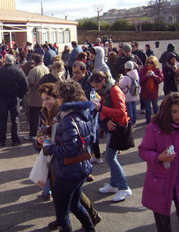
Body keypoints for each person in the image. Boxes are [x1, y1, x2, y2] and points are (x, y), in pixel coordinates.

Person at [43, 79, 96, 232]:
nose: (57, 98)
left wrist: (50, 149)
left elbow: (70, 150)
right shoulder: (83, 113)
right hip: (81, 168)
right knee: (75, 204)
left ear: (64, 98)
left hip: (68, 171)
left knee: (62, 213)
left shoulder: (67, 118)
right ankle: (90, 228)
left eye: (58, 96)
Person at [138, 92, 179, 232]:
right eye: (174, 111)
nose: (177, 115)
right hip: (160, 181)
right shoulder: (154, 128)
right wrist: (158, 158)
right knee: (163, 223)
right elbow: (143, 151)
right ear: (167, 111)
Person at [90, 71, 132, 202]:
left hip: (118, 127)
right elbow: (102, 110)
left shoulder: (114, 90)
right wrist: (106, 118)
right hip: (111, 126)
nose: (95, 89)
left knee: (110, 157)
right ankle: (114, 184)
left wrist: (102, 109)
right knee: (111, 156)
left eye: (96, 86)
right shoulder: (105, 91)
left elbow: (121, 111)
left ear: (103, 81)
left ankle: (124, 187)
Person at [0, 54, 28, 146]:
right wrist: (20, 95)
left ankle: (2, 140)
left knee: (2, 119)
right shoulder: (18, 71)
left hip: (3, 98)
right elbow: (25, 85)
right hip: (14, 97)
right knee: (15, 119)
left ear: (5, 61)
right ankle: (15, 139)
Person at [24, 54, 49, 141]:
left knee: (33, 117)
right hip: (45, 97)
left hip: (35, 96)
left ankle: (32, 134)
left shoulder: (34, 70)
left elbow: (29, 81)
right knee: (44, 116)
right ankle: (43, 133)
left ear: (34, 61)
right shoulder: (47, 69)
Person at [139, 56, 164, 124]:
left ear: (154, 63)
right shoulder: (143, 69)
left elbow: (161, 79)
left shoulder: (157, 70)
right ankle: (148, 120)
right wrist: (146, 76)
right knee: (147, 108)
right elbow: (140, 80)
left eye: (151, 63)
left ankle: (157, 119)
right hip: (145, 92)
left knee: (155, 106)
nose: (149, 64)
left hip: (154, 92)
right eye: (148, 62)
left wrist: (154, 76)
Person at [119, 61, 140, 127]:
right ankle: (134, 122)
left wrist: (121, 79)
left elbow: (121, 85)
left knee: (129, 111)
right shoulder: (136, 74)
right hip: (134, 94)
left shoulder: (126, 77)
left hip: (128, 96)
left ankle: (131, 123)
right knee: (134, 109)